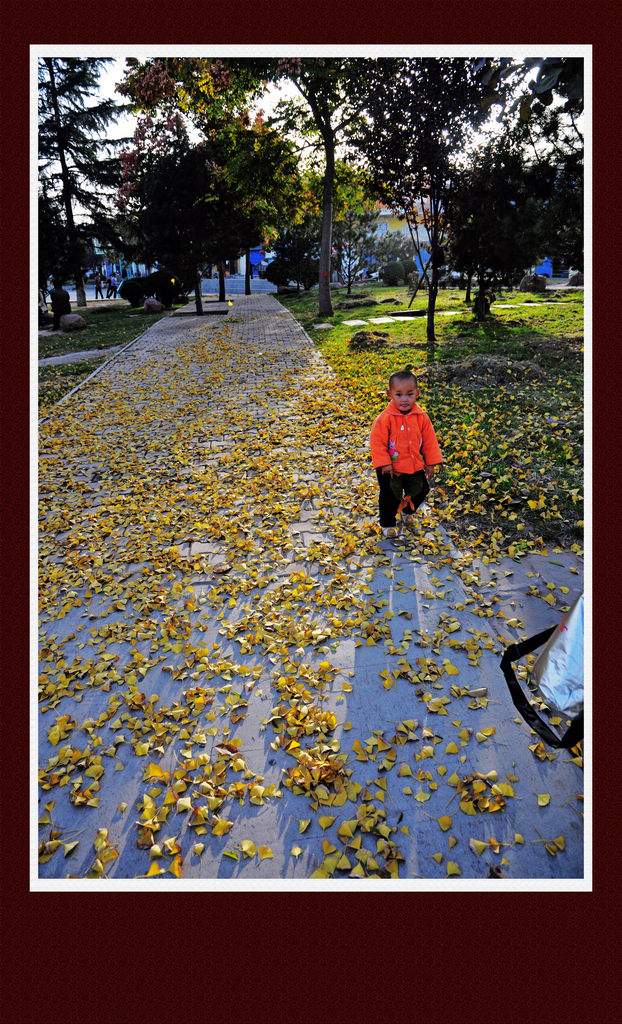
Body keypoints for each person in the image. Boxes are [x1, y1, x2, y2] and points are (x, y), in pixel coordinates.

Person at [370, 367, 443, 537]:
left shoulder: (421, 416)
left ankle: (407, 511)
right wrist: (385, 462)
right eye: (399, 394)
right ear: (390, 394)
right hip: (390, 469)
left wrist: (430, 462)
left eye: (409, 394)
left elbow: (429, 441)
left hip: (414, 465)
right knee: (390, 496)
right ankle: (387, 523)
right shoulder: (385, 419)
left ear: (417, 393)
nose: (404, 399)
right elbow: (377, 442)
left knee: (421, 489)